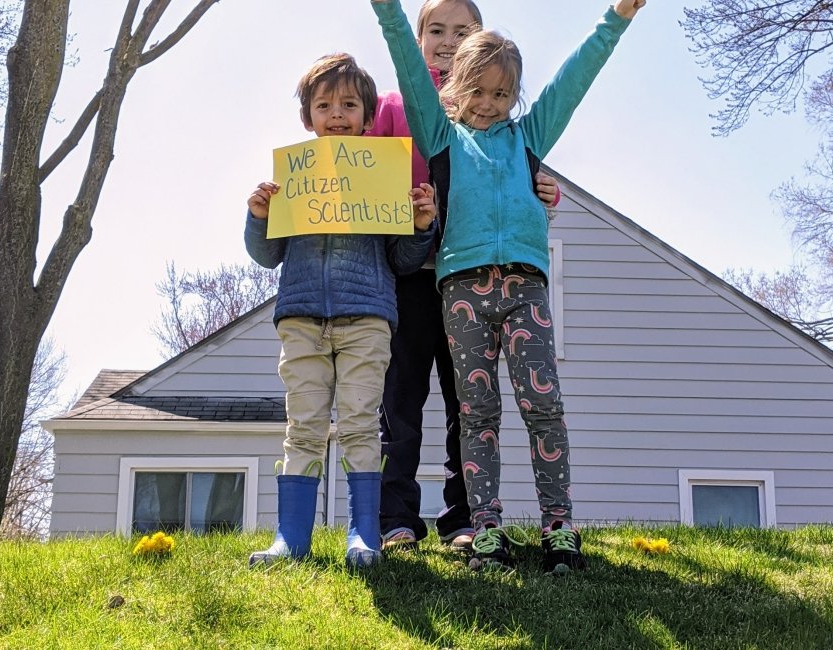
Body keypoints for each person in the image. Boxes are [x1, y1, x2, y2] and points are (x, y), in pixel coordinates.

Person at [370, 0, 646, 573]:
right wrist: (385, 8)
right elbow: (403, 55)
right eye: (478, 93)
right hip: (462, 293)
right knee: (476, 411)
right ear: (452, 90)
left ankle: (558, 526)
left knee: (543, 403)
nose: (490, 105)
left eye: (502, 95)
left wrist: (616, 17)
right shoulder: (441, 137)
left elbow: (576, 78)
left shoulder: (528, 138)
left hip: (525, 288)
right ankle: (485, 525)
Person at [368, 0, 563, 555]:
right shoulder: (397, 106)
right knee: (400, 402)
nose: (447, 41)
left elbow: (509, 180)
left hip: (465, 280)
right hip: (408, 272)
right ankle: (397, 517)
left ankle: (463, 516)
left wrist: (539, 188)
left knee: (466, 405)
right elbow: (360, 173)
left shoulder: (496, 124)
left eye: (463, 31)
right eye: (435, 30)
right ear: (420, 35)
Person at [244, 53, 437, 569]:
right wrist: (258, 216)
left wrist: (420, 226)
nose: (336, 114)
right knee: (303, 425)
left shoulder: (382, 178)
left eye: (349, 104)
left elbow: (401, 258)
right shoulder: (293, 179)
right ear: (307, 117)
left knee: (359, 425)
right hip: (302, 317)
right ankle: (292, 539)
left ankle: (363, 534)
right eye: (324, 104)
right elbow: (266, 256)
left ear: (368, 117)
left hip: (367, 319)